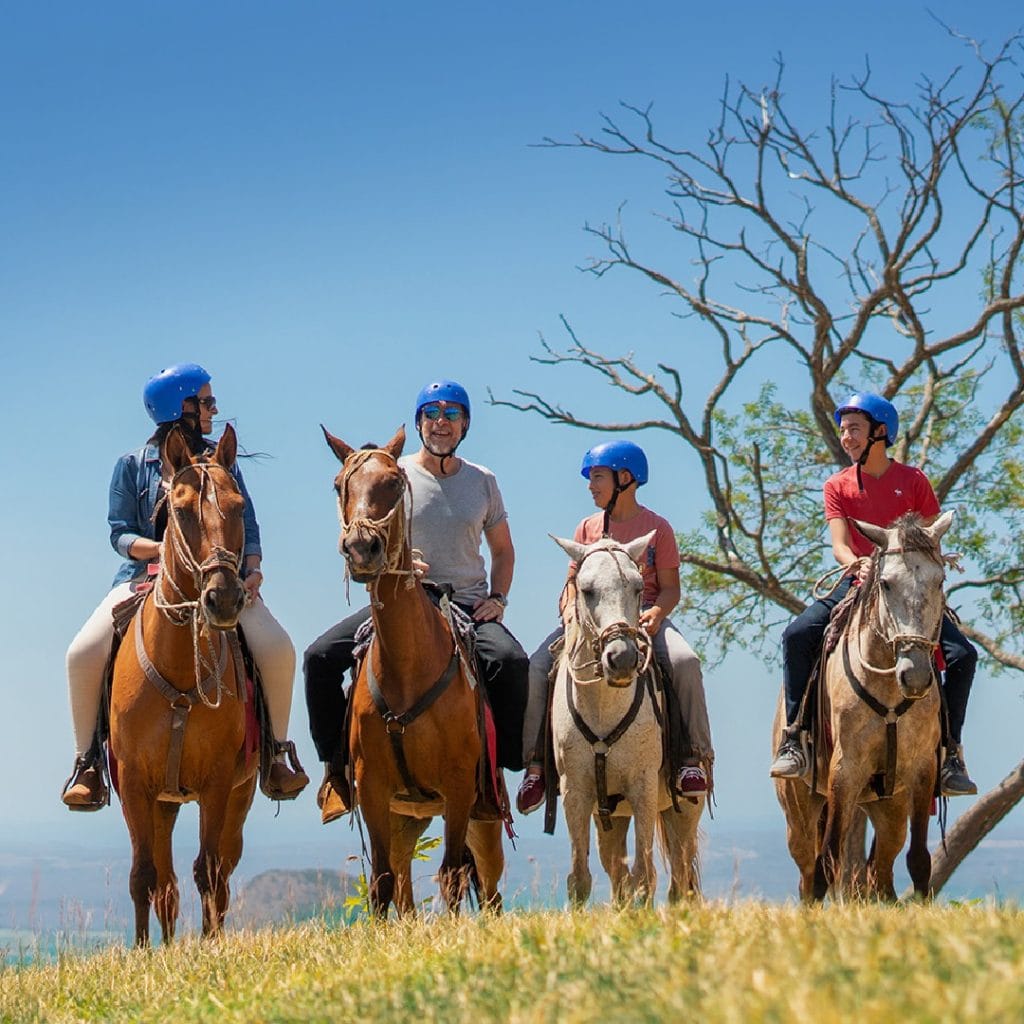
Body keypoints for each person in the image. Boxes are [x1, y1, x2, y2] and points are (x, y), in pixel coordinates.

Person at [61, 362, 309, 809]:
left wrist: (252, 567)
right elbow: (119, 533)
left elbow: (246, 523)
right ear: (183, 408)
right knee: (81, 652)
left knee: (277, 648)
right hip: (145, 579)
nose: (214, 408)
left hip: (223, 578)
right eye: (207, 401)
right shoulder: (132, 466)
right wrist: (162, 552)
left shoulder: (222, 462)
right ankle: (88, 763)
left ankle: (277, 752)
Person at [305, 379, 529, 821]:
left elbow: (503, 550)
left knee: (511, 661)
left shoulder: (483, 481)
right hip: (405, 598)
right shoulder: (394, 474)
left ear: (465, 424)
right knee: (319, 657)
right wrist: (401, 566)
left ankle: (495, 776)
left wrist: (498, 598)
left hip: (466, 603)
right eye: (431, 413)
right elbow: (370, 530)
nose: (440, 423)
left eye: (451, 415)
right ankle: (335, 771)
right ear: (419, 421)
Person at [769, 391, 978, 796]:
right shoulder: (837, 485)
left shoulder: (914, 480)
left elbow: (930, 538)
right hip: (859, 580)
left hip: (909, 589)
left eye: (855, 429)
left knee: (963, 655)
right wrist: (856, 563)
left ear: (879, 432)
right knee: (797, 635)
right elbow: (840, 544)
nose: (846, 437)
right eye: (844, 430)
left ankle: (950, 753)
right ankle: (794, 738)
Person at [516, 440, 714, 816]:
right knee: (538, 666)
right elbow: (572, 583)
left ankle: (693, 757)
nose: (591, 486)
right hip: (589, 622)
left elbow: (671, 588)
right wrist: (570, 612)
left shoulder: (658, 529)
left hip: (642, 620)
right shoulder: (587, 529)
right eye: (591, 479)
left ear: (625, 479)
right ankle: (537, 766)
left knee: (686, 662)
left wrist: (656, 615)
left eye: (598, 478)